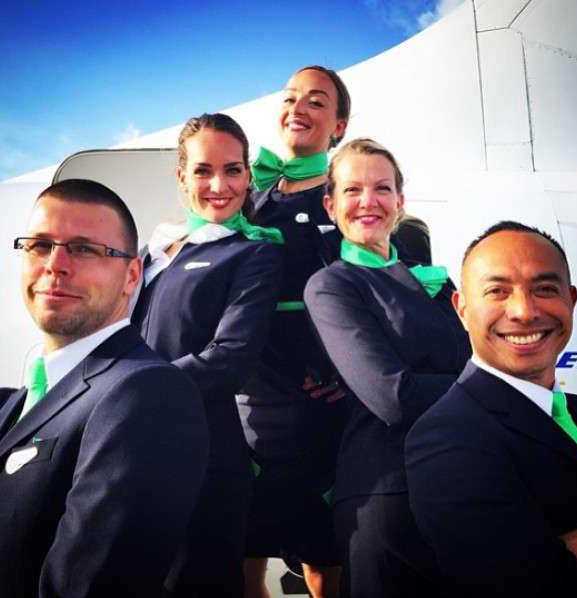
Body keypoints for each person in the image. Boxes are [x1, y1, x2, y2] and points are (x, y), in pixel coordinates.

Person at [0, 179, 208, 598]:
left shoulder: (147, 393)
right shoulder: (17, 402)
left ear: (132, 276)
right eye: (40, 245)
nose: (55, 264)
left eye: (83, 248)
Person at [304, 138, 471, 598]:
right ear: (330, 206)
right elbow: (392, 396)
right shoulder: (332, 284)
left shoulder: (437, 282)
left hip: (461, 483)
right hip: (389, 493)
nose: (368, 201)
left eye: (381, 188)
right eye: (352, 190)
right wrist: (487, 388)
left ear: (400, 202)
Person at [132, 113, 282, 597]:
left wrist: (126, 395)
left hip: (200, 455)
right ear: (181, 177)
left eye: (233, 170)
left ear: (247, 175)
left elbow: (229, 357)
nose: (219, 185)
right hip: (127, 449)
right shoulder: (153, 251)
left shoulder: (252, 254)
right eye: (202, 170)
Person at [405, 221, 577, 597]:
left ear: (571, 300)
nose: (524, 311)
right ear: (461, 309)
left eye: (545, 289)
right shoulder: (444, 440)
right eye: (497, 291)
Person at [237, 65, 351, 598]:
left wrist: (349, 373)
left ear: (339, 127)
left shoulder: (345, 198)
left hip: (315, 405)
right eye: (290, 98)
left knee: (320, 553)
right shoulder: (249, 196)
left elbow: (370, 291)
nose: (298, 108)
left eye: (317, 101)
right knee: (245, 547)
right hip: (249, 397)